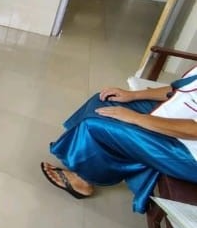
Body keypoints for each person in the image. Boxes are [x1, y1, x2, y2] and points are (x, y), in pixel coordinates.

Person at [41, 67, 197, 213]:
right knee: (102, 101)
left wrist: (136, 118)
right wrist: (133, 95)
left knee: (96, 125)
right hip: (175, 115)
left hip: (188, 151)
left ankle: (84, 180)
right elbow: (178, 89)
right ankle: (75, 150)